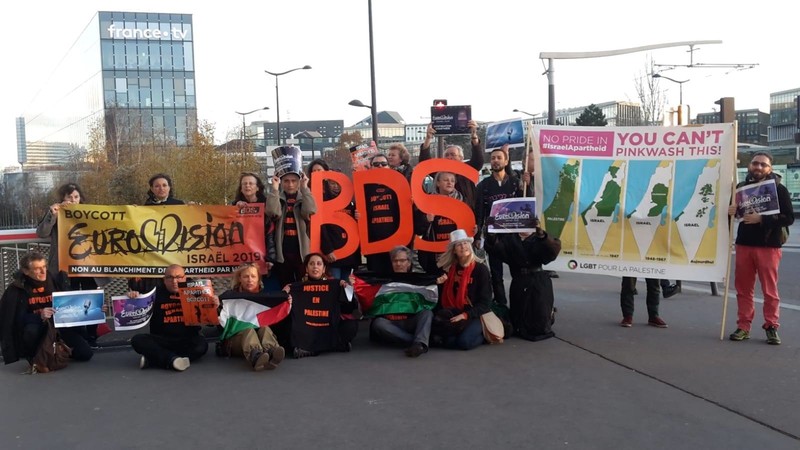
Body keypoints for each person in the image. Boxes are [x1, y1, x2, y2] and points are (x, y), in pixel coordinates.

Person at [727, 151, 794, 344]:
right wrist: (730, 211)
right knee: (743, 289)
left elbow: (788, 218)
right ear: (750, 165)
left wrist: (761, 219)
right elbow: (735, 216)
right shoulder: (740, 188)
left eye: (763, 165)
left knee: (769, 290)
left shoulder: (779, 189)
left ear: (770, 168)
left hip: (769, 246)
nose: (758, 167)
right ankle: (743, 326)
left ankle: (771, 326)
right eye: (755, 163)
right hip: (744, 245)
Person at [36, 182, 106, 346]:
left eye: (76, 197)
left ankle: (92, 335)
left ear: (81, 199)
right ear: (63, 199)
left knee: (91, 299)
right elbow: (41, 233)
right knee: (70, 299)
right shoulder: (57, 213)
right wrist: (52, 214)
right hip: (66, 266)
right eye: (69, 197)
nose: (73, 200)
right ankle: (76, 337)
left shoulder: (90, 213)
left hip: (89, 265)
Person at [0, 251, 95, 367]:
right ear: (26, 271)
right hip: (37, 328)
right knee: (31, 331)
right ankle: (34, 356)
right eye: (37, 269)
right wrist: (39, 316)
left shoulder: (57, 279)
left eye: (44, 267)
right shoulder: (16, 288)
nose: (43, 271)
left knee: (86, 354)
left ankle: (57, 352)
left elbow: (74, 305)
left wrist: (95, 309)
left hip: (59, 326)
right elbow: (13, 319)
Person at [485, 219, 560, 341]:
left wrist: (542, 235)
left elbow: (552, 252)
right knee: (519, 316)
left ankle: (546, 319)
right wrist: (492, 235)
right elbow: (498, 251)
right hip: (519, 280)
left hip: (539, 281)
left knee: (539, 319)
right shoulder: (511, 239)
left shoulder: (539, 238)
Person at [476, 144, 531, 305]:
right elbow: (479, 212)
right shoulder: (483, 186)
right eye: (493, 158)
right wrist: (477, 235)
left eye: (499, 157)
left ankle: (518, 305)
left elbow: (527, 204)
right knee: (496, 274)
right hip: (493, 237)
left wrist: (529, 185)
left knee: (518, 272)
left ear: (506, 161)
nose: (495, 161)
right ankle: (501, 305)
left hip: (513, 236)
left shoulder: (516, 183)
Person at [129, 264, 210, 371]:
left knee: (202, 345)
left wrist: (213, 305)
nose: (174, 281)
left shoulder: (196, 292)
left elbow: (210, 322)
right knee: (137, 340)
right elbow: (134, 310)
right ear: (164, 280)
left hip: (187, 339)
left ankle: (156, 359)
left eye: (178, 277)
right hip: (162, 340)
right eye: (170, 277)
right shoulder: (154, 293)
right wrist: (132, 297)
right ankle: (173, 360)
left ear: (185, 278)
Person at [283, 253, 358, 358]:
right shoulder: (296, 287)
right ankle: (334, 346)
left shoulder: (335, 285)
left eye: (319, 264)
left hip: (328, 327)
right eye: (311, 264)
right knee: (287, 327)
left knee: (351, 326)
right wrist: (284, 295)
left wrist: (349, 290)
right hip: (307, 329)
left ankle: (309, 350)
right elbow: (285, 311)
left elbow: (349, 309)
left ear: (324, 269)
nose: (315, 267)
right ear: (306, 268)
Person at [369, 246, 437, 358]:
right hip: (390, 322)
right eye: (395, 261)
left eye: (402, 260)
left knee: (427, 313)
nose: (399, 264)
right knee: (378, 324)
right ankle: (418, 342)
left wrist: (436, 282)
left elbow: (429, 298)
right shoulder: (383, 280)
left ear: (409, 262)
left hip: (411, 320)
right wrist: (355, 282)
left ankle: (417, 341)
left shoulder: (418, 279)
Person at [431, 229, 492, 350]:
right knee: (448, 343)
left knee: (464, 342)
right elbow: (442, 299)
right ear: (454, 250)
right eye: (459, 244)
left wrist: (465, 315)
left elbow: (485, 303)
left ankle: (484, 334)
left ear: (470, 246)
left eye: (465, 243)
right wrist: (439, 285)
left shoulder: (481, 270)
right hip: (455, 313)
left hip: (475, 315)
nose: (463, 247)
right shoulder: (449, 270)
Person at [217, 264, 285, 371]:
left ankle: (271, 350)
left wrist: (285, 298)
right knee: (248, 330)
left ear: (258, 278)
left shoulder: (265, 298)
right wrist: (216, 307)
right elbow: (220, 323)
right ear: (240, 278)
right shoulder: (229, 297)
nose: (250, 280)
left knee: (265, 328)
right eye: (246, 276)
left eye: (253, 276)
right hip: (235, 340)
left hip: (258, 337)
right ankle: (255, 356)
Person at [307, 159, 360, 280]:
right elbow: (320, 227)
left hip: (350, 253)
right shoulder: (317, 198)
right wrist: (327, 249)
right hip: (333, 254)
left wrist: (358, 216)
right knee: (335, 288)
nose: (317, 173)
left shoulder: (348, 199)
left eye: (319, 170)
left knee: (348, 291)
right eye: (314, 171)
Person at [266, 170, 317, 287]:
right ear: (281, 182)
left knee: (303, 286)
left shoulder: (304, 197)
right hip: (283, 252)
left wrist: (305, 188)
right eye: (286, 181)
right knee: (286, 286)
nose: (290, 184)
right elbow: (272, 212)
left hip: (301, 252)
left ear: (299, 182)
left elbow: (310, 211)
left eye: (294, 181)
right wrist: (274, 189)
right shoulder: (277, 198)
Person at [419, 120, 484, 211]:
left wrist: (474, 137)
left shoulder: (466, 169)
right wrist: (428, 139)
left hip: (466, 214)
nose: (449, 158)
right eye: (447, 155)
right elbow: (424, 164)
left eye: (453, 155)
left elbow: (478, 161)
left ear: (461, 158)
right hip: (443, 214)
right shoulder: (439, 172)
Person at [415, 171, 469, 273]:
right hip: (434, 255)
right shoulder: (426, 202)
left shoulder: (462, 201)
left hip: (456, 254)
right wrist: (426, 220)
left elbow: (468, 225)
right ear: (438, 183)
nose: (450, 183)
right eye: (446, 180)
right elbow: (418, 230)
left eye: (452, 181)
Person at [232, 172, 277, 288]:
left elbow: (270, 233)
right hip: (242, 259)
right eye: (244, 184)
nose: (247, 186)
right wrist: (235, 209)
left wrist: (270, 258)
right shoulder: (234, 207)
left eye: (251, 183)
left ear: (257, 188)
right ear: (241, 189)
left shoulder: (266, 206)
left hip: (262, 257)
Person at [363, 153, 401, 273]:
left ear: (389, 167)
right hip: (373, 244)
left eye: (383, 164)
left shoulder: (398, 186)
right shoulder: (364, 188)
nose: (380, 166)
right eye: (376, 164)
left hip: (395, 242)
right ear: (371, 167)